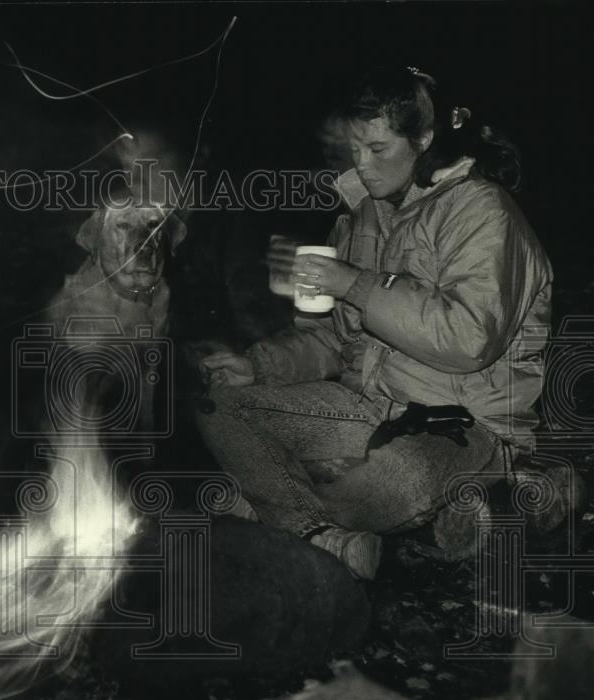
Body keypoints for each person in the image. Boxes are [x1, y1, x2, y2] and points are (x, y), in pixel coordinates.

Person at [196, 66, 553, 579]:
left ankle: (283, 506)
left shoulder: (483, 212)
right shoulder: (365, 217)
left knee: (389, 480)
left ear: (424, 139)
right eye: (353, 149)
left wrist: (358, 284)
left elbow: (470, 339)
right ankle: (313, 530)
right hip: (366, 407)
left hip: (461, 424)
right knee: (220, 406)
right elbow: (335, 338)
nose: (361, 166)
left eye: (378, 149)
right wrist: (257, 366)